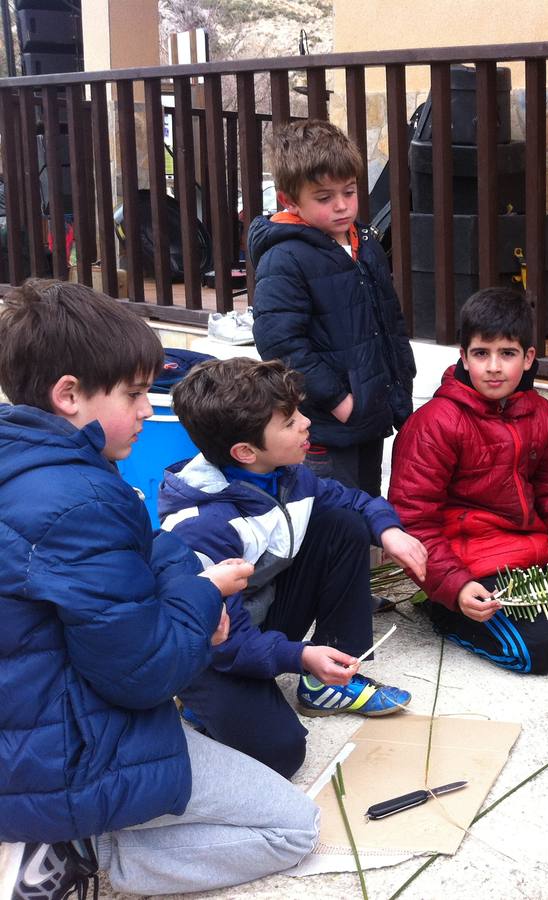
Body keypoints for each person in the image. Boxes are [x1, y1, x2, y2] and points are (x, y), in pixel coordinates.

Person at [0, 281, 318, 898]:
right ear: (69, 395)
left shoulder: (42, 467)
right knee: (293, 827)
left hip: (30, 717)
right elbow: (144, 674)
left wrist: (191, 588)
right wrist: (204, 606)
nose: (149, 410)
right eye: (136, 393)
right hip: (64, 750)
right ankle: (78, 849)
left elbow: (153, 547)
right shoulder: (81, 500)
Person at [158, 357, 429, 778]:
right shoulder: (200, 526)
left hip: (258, 617)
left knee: (342, 523)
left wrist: (388, 531)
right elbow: (222, 641)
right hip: (212, 650)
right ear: (245, 451)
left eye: (298, 411)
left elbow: (353, 501)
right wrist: (299, 654)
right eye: (289, 421)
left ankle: (326, 684)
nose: (305, 423)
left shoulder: (285, 473)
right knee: (282, 754)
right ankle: (195, 701)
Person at [390, 287, 548, 674]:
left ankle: (525, 615)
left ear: (529, 357)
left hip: (535, 558)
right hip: (471, 564)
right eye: (481, 354)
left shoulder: (543, 416)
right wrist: (455, 586)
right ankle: (444, 611)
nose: (494, 367)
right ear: (463, 356)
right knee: (545, 650)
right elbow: (413, 521)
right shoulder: (435, 423)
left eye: (508, 353)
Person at [251, 118, 416, 497]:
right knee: (336, 512)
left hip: (371, 413)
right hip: (327, 423)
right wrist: (338, 400)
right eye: (324, 198)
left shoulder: (365, 244)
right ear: (289, 200)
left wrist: (400, 382)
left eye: (350, 192)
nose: (342, 206)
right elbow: (281, 344)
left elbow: (389, 321)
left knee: (369, 503)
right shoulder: (285, 258)